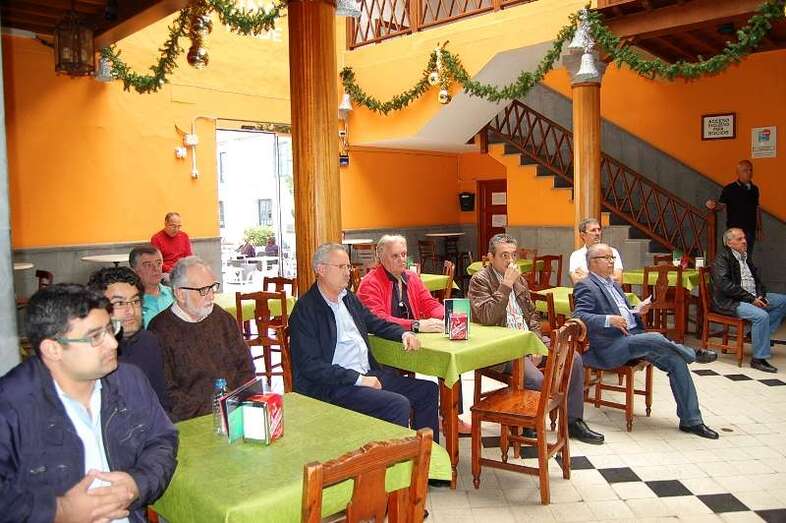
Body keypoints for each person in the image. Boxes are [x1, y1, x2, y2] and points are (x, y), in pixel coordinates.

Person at [0, 284, 178, 522]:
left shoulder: (129, 381)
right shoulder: (11, 406)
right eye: (95, 336)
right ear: (53, 349)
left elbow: (162, 440)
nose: (113, 343)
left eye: (110, 329)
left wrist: (137, 483)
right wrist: (58, 512)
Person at [289, 243, 439, 440]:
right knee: (397, 404)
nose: (347, 273)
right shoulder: (306, 310)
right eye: (341, 267)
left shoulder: (348, 299)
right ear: (321, 270)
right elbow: (310, 366)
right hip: (332, 386)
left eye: (348, 266)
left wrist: (403, 334)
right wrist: (358, 379)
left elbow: (375, 322)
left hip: (366, 374)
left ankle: (426, 456)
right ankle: (393, 459)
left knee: (428, 390)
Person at [469, 233, 605, 444]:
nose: (510, 261)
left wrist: (536, 342)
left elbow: (532, 315)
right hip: (502, 348)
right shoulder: (480, 280)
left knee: (574, 359)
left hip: (528, 339)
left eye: (513, 255)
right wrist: (506, 285)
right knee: (536, 380)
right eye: (504, 255)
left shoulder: (520, 280)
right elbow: (486, 317)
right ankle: (527, 425)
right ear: (490, 257)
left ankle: (573, 422)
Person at [573, 243, 719, 439]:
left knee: (676, 361)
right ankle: (693, 353)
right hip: (610, 346)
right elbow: (579, 315)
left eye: (612, 258)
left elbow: (623, 312)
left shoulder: (613, 284)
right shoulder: (586, 285)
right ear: (592, 262)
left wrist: (636, 311)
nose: (611, 262)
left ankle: (691, 421)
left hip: (632, 337)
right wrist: (608, 320)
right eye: (606, 258)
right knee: (655, 337)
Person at [357, 234, 472, 434]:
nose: (402, 259)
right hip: (383, 346)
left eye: (404, 254)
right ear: (381, 258)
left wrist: (448, 316)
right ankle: (398, 422)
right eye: (395, 256)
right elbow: (379, 319)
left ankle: (451, 416)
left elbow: (429, 303)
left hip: (414, 339)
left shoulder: (411, 278)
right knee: (396, 384)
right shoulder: (370, 283)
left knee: (450, 358)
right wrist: (416, 325)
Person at [149, 256, 255, 422]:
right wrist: (215, 411)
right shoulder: (159, 330)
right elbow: (168, 392)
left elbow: (246, 366)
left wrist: (238, 401)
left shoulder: (222, 318)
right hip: (192, 420)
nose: (211, 296)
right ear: (180, 294)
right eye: (203, 290)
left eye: (213, 288)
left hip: (235, 411)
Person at [87, 266, 170, 412]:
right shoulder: (86, 352)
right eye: (119, 303)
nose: (131, 311)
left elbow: (161, 402)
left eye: (135, 301)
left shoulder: (149, 342)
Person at [710, 228, 786, 373]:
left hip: (751, 296)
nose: (744, 241)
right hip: (731, 302)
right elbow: (725, 285)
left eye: (744, 238)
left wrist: (760, 296)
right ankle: (758, 359)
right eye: (739, 239)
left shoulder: (745, 257)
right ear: (729, 243)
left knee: (783, 301)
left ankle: (755, 335)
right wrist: (751, 299)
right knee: (761, 316)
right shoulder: (722, 259)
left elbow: (757, 281)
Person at [706, 160, 763, 257]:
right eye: (745, 170)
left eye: (750, 170)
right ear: (738, 172)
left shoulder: (754, 189)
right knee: (735, 258)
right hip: (735, 230)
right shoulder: (729, 189)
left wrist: (759, 228)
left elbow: (757, 209)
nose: (749, 173)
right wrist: (713, 205)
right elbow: (721, 205)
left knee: (747, 257)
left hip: (750, 230)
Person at [129, 244, 174, 327]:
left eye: (158, 263)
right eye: (148, 265)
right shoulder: (130, 303)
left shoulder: (174, 295)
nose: (156, 269)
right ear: (134, 271)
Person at [570, 217, 623, 285]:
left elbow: (618, 281)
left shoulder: (612, 252)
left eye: (599, 230)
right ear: (583, 235)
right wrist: (606, 277)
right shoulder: (576, 255)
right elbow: (577, 282)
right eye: (593, 230)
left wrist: (587, 276)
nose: (597, 233)